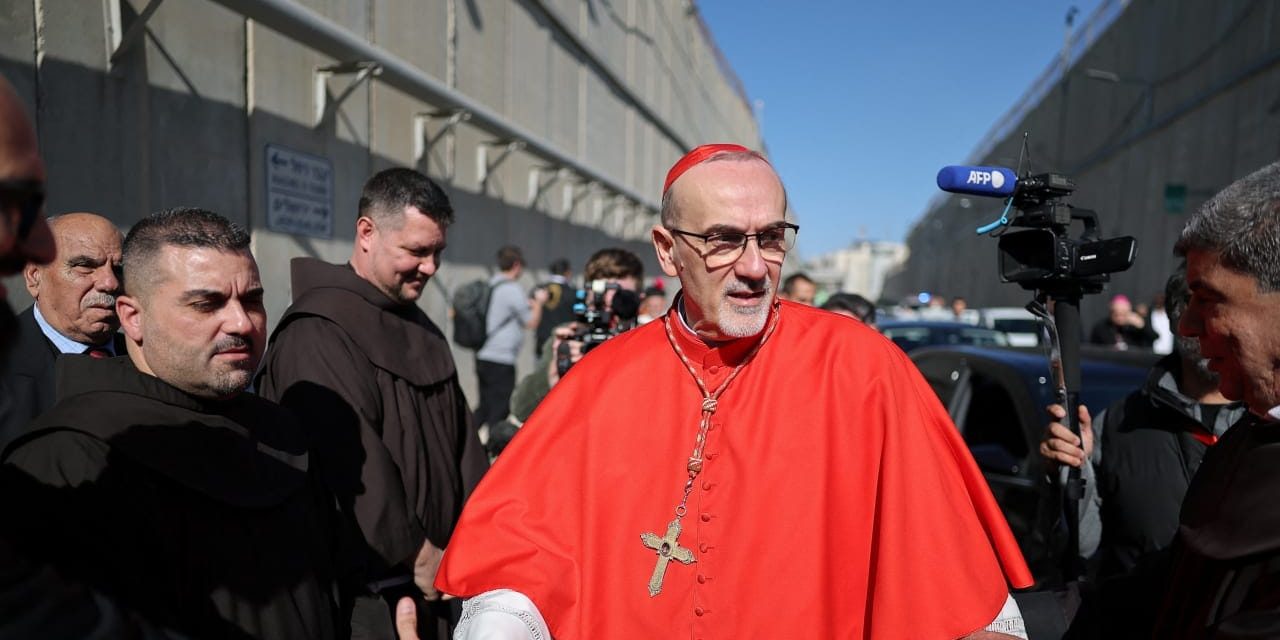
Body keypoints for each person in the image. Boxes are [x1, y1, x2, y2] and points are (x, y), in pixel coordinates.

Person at [434, 144, 1033, 639]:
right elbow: (520, 551)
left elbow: (950, 576)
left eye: (770, 238)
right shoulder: (600, 379)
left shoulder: (865, 368)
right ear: (667, 250)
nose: (754, 267)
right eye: (723, 239)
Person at [0, 207, 339, 638]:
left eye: (252, 300)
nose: (241, 323)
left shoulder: (282, 431)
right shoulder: (67, 454)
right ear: (133, 318)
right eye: (206, 304)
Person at [256, 167, 488, 639]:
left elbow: (465, 450)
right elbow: (349, 463)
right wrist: (418, 555)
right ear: (367, 233)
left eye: (438, 252)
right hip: (365, 599)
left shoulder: (423, 328)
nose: (431, 267)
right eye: (416, 251)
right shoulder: (318, 331)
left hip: (441, 585)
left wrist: (478, 542)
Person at [1039, 266, 1245, 579]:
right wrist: (1070, 470)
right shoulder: (1117, 425)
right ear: (1174, 320)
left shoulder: (1266, 420)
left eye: (1219, 305)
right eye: (1193, 303)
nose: (1207, 322)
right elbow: (1079, 547)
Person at [1146, 160, 1280, 637]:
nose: (1185, 326)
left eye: (1207, 299)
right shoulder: (1247, 437)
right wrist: (1019, 621)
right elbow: (1169, 589)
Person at [1, 212, 123, 448]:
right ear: (34, 276)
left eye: (119, 269)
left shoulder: (151, 360)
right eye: (85, 266)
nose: (110, 283)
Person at [504, 247, 645, 434]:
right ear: (588, 297)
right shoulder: (571, 336)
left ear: (639, 300)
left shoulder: (653, 343)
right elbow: (521, 409)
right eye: (601, 301)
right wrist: (553, 374)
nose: (609, 311)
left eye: (620, 300)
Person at [473, 245, 546, 431]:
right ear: (516, 265)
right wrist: (539, 303)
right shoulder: (512, 289)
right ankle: (493, 445)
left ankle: (466, 441)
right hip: (501, 358)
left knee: (485, 406)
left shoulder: (492, 284)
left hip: (483, 354)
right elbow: (531, 322)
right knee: (500, 409)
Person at [533, 258, 573, 357]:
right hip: (562, 340)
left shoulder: (538, 289)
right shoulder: (572, 292)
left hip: (542, 339)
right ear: (567, 272)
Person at [1088, 294, 1157, 350]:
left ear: (1129, 312)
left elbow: (1154, 338)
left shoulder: (1135, 327)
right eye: (1116, 314)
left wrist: (1142, 325)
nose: (1120, 318)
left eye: (1123, 314)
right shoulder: (1102, 327)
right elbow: (1094, 348)